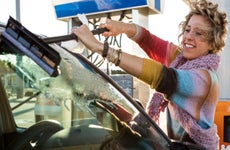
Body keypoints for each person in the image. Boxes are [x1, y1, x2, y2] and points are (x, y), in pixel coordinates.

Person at [72, 0, 228, 149]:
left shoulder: (204, 78)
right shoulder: (181, 60)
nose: (188, 36)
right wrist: (124, 28)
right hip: (173, 144)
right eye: (187, 29)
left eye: (199, 33)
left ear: (212, 43)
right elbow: (149, 41)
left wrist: (101, 48)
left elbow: (160, 76)